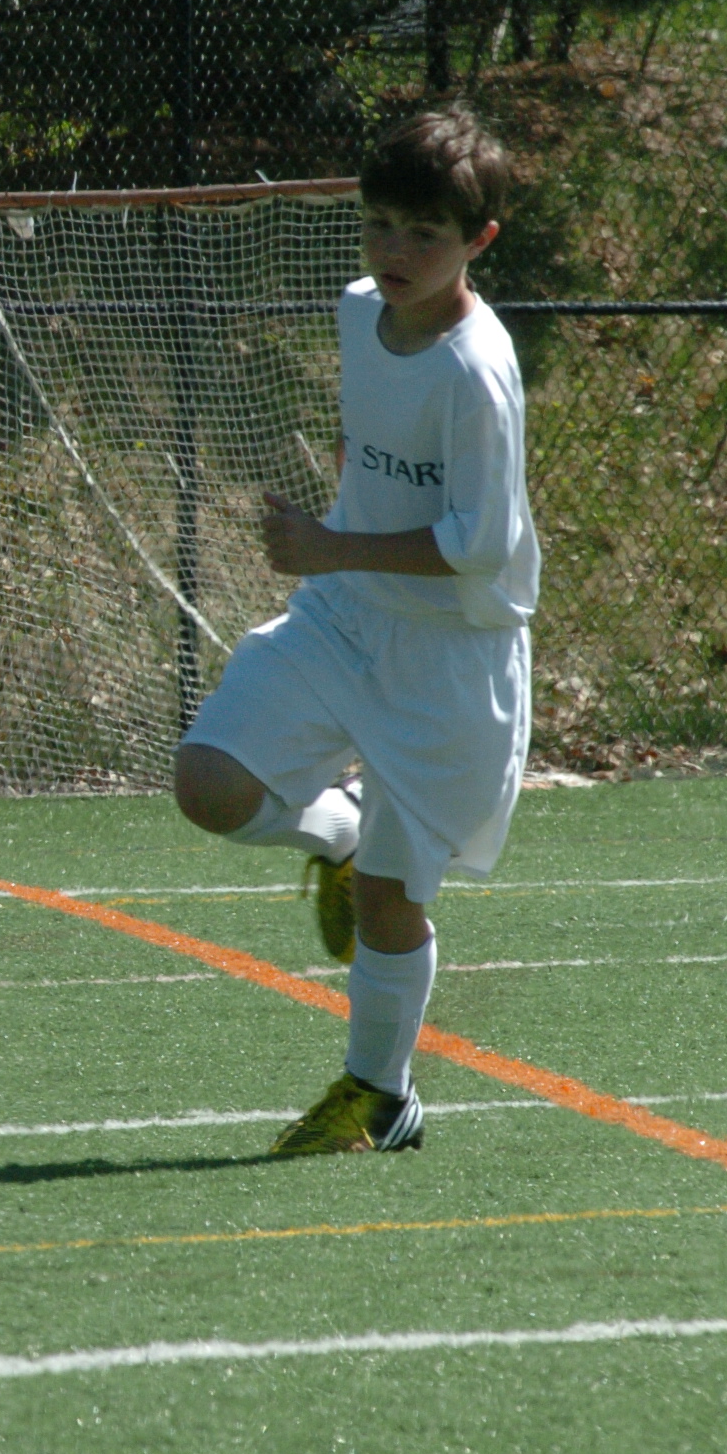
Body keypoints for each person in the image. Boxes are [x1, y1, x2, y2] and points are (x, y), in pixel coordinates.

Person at [172, 105, 535, 1157]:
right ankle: (333, 832)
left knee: (388, 900)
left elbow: (479, 547)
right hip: (345, 616)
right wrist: (343, 529)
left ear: (478, 241)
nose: (395, 251)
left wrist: (331, 545)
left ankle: (381, 1095)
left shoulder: (477, 373)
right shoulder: (356, 309)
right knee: (210, 783)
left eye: (425, 233)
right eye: (379, 224)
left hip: (451, 658)